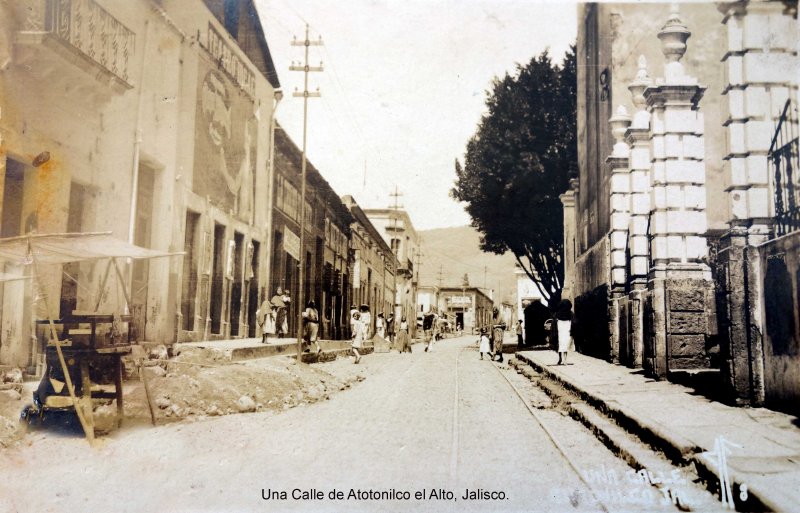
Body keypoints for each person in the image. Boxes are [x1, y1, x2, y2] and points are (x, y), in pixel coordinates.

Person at [555, 299, 574, 365]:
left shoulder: (557, 314)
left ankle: (560, 358)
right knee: (566, 345)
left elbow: (554, 323)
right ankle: (565, 360)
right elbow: (574, 322)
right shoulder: (570, 313)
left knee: (560, 344)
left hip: (560, 331)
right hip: (567, 331)